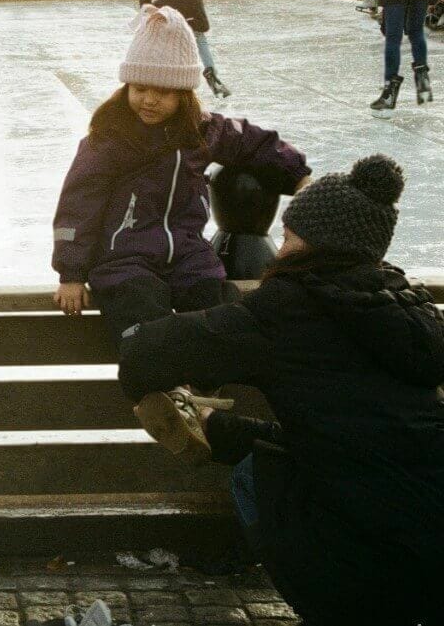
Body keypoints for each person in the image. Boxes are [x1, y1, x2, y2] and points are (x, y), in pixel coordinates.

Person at [118, 154, 444, 626]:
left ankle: (336, 607)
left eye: (289, 237)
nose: (279, 248)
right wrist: (221, 430)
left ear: (317, 246)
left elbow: (148, 352)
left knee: (253, 476)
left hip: (368, 572)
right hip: (434, 558)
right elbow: (356, 437)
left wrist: (135, 356)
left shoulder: (289, 307)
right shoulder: (411, 312)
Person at [52, 5, 311, 463]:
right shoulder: (109, 139)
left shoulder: (203, 132)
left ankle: (197, 396)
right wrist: (71, 272)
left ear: (185, 94)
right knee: (141, 308)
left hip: (187, 252)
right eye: (140, 88)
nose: (148, 100)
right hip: (123, 255)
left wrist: (299, 177)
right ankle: (164, 397)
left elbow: (256, 142)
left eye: (163, 92)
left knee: (215, 301)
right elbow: (78, 205)